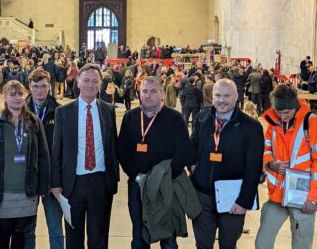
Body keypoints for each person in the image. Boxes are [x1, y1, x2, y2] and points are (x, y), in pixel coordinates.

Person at [117, 76, 193, 248]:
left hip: (166, 187)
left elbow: (183, 152)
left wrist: (162, 178)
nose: (148, 95)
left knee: (168, 239)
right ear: (139, 93)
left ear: (162, 94)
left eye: (153, 91)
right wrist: (137, 177)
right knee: (139, 237)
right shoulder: (130, 117)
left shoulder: (174, 118)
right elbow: (121, 150)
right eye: (144, 91)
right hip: (137, 185)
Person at [190, 78, 264, 249]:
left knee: (228, 244)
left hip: (233, 200)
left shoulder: (251, 127)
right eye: (217, 95)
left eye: (226, 95)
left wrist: (244, 201)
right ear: (212, 96)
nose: (221, 100)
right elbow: (192, 146)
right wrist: (193, 166)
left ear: (236, 96)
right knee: (202, 244)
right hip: (202, 195)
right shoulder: (202, 118)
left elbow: (253, 168)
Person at [51, 63, 119, 249]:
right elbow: (57, 149)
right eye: (86, 80)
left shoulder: (108, 110)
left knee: (99, 236)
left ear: (100, 85)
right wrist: (56, 183)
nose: (90, 84)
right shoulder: (63, 112)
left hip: (101, 182)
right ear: (78, 82)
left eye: (94, 81)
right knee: (74, 237)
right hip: (73, 184)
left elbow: (112, 145)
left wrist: (114, 179)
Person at [0, 80, 50, 249]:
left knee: (20, 234)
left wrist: (42, 187)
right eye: (12, 94)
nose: (17, 98)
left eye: (20, 94)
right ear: (4, 97)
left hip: (26, 191)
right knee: (3, 233)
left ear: (25, 95)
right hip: (2, 191)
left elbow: (43, 156)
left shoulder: (34, 123)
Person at [255, 83, 317, 249]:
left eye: (287, 112)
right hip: (277, 196)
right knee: (262, 243)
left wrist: (313, 198)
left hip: (302, 198)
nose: (282, 116)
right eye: (278, 111)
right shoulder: (273, 124)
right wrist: (272, 163)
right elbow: (266, 148)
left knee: (301, 245)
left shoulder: (311, 123)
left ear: (295, 107)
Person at [25, 69, 64, 249]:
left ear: (49, 87)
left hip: (52, 180)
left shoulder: (60, 112)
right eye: (35, 86)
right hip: (28, 179)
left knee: (56, 229)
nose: (39, 90)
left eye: (43, 86)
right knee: (27, 229)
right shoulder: (19, 111)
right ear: (29, 87)